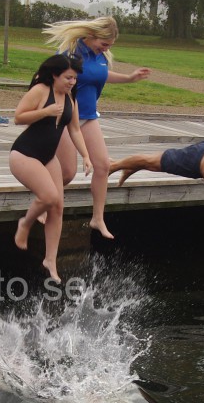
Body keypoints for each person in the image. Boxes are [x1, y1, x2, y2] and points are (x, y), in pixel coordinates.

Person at [43, 17, 151, 239]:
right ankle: (42, 204)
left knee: (103, 166)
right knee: (66, 172)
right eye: (104, 43)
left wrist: (130, 78)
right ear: (92, 34)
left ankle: (97, 218)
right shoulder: (71, 53)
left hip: (89, 117)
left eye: (110, 45)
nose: (107, 48)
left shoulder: (100, 56)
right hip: (65, 118)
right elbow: (50, 80)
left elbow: (100, 74)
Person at [10, 54, 92, 281]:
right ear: (55, 75)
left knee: (57, 207)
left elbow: (75, 130)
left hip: (48, 158)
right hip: (24, 154)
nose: (71, 83)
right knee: (48, 196)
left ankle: (50, 260)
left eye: (74, 79)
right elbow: (18, 117)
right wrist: (45, 112)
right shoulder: (40, 90)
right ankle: (24, 224)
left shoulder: (69, 98)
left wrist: (85, 155)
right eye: (68, 78)